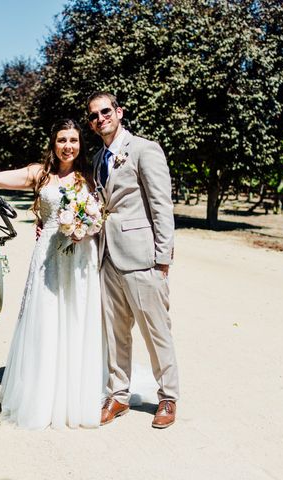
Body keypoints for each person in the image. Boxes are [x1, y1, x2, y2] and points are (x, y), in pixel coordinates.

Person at [0, 119, 103, 430]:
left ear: (80, 144)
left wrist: (87, 229)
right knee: (46, 320)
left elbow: (99, 213)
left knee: (77, 318)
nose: (68, 145)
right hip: (49, 257)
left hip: (81, 257)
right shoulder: (39, 174)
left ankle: (76, 392)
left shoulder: (90, 176)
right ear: (53, 144)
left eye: (74, 140)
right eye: (62, 139)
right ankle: (43, 394)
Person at [87, 91, 179, 429]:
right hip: (107, 256)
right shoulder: (98, 159)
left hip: (142, 258)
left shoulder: (144, 149)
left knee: (156, 332)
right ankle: (119, 395)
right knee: (115, 332)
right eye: (94, 116)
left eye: (105, 111)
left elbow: (161, 205)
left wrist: (163, 257)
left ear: (119, 112)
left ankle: (167, 397)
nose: (101, 119)